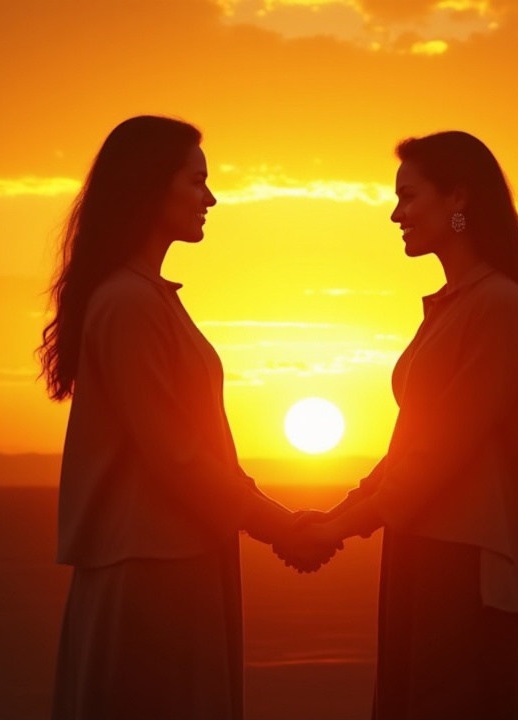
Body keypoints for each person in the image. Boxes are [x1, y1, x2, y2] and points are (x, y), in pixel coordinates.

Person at [39, 115, 337, 720]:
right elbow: (176, 457)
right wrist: (278, 524)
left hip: (175, 560)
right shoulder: (128, 302)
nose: (211, 198)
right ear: (152, 187)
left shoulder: (145, 298)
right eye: (197, 181)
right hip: (150, 571)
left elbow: (192, 452)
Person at [285, 131, 518, 719]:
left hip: (464, 563)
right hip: (422, 545)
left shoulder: (496, 305)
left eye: (409, 198)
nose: (396, 214)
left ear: (458, 198)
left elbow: (439, 454)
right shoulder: (456, 304)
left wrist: (339, 528)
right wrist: (344, 512)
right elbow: (414, 442)